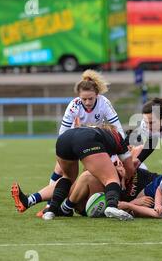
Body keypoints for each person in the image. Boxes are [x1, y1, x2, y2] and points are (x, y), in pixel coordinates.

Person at [11, 70, 125, 214]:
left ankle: (45, 204)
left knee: (72, 179)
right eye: (84, 99)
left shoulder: (104, 103)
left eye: (91, 99)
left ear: (97, 95)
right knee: (60, 171)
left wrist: (116, 154)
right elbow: (62, 134)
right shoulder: (74, 105)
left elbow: (119, 131)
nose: (88, 102)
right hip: (75, 143)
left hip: (94, 144)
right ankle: (50, 206)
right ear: (78, 97)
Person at [41, 124, 134, 221]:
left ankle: (51, 211)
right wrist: (124, 179)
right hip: (87, 139)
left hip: (65, 137)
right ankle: (111, 206)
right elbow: (130, 168)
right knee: (111, 178)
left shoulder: (94, 130)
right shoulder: (116, 135)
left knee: (67, 177)